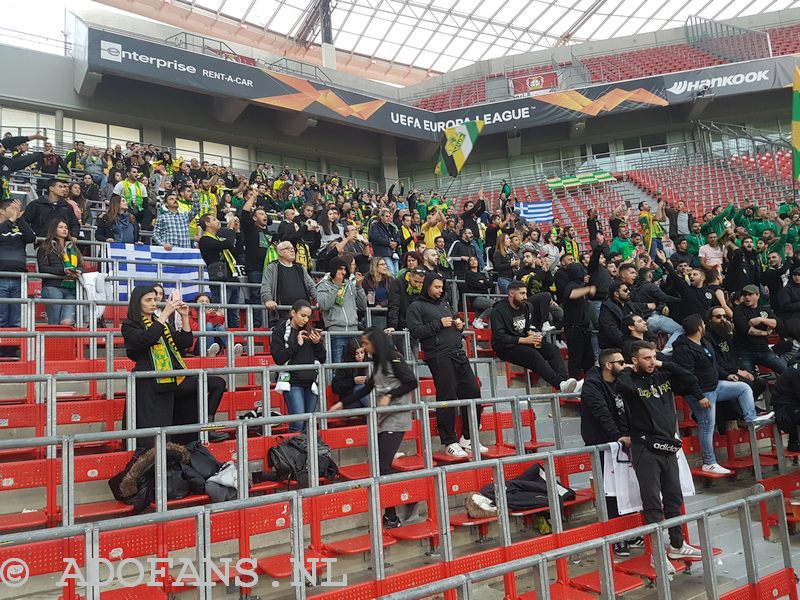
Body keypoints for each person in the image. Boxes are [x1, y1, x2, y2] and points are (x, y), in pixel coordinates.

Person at [617, 341, 706, 565]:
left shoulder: (662, 376)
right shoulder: (630, 381)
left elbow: (690, 378)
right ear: (635, 360)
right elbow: (624, 387)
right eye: (646, 358)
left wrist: (663, 362)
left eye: (653, 357)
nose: (651, 362)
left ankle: (677, 545)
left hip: (668, 446)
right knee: (652, 501)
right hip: (645, 448)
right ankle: (657, 553)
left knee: (674, 498)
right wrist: (628, 370)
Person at [331, 328, 418, 527]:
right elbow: (368, 387)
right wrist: (342, 404)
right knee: (380, 466)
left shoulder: (394, 358)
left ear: (376, 342)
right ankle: (408, 495)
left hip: (396, 418)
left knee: (383, 466)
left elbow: (411, 382)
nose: (364, 347)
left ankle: (394, 512)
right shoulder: (378, 362)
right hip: (382, 418)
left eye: (367, 343)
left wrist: (390, 395)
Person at [121, 286, 228, 448]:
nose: (153, 303)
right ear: (138, 303)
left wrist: (184, 317)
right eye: (148, 300)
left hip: (174, 377)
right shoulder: (130, 325)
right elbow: (146, 339)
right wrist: (164, 315)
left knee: (218, 383)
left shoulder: (160, 323)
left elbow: (184, 342)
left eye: (155, 300)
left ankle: (208, 428)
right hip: (151, 382)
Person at [672, 314, 772, 475]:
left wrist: (726, 375)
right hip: (701, 392)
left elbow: (713, 365)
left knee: (743, 387)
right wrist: (700, 396)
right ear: (699, 328)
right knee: (707, 427)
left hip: (715, 385)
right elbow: (686, 377)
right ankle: (709, 462)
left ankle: (750, 419)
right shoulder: (683, 349)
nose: (704, 326)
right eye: (703, 324)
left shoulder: (704, 342)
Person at [407, 272, 484, 459]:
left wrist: (459, 326)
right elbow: (416, 331)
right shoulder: (416, 306)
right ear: (427, 286)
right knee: (447, 394)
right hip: (438, 355)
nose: (440, 290)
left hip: (457, 353)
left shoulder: (445, 303)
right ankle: (449, 441)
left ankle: (468, 437)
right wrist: (438, 324)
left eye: (441, 287)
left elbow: (456, 321)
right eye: (436, 287)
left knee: (473, 391)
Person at [579, 347, 634, 556]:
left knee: (628, 489)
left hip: (624, 442)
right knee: (611, 492)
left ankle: (629, 532)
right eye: (620, 362)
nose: (625, 365)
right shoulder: (592, 385)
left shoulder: (622, 382)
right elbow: (602, 413)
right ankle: (616, 537)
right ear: (608, 365)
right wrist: (617, 437)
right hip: (603, 444)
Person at [490, 281, 580, 393]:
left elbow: (527, 327)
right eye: (522, 293)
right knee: (533, 355)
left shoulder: (527, 307)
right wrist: (524, 339)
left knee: (552, 349)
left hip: (524, 341)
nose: (525, 297)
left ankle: (565, 382)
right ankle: (560, 384)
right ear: (512, 293)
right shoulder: (498, 311)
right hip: (506, 347)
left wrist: (533, 333)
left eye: (526, 293)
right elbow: (500, 337)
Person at [270, 299, 326, 433]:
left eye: (308, 316)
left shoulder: (310, 331)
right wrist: (297, 344)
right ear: (293, 313)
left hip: (311, 382)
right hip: (291, 382)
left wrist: (318, 343)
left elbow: (322, 358)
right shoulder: (280, 331)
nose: (306, 320)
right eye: (303, 315)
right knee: (298, 423)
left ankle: (307, 453)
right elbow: (278, 358)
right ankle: (293, 453)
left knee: (309, 425)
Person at [316, 255, 367, 364]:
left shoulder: (349, 284)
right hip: (336, 332)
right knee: (337, 368)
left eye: (344, 269)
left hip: (354, 330)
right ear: (333, 269)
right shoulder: (323, 285)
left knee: (355, 367)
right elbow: (324, 305)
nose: (343, 272)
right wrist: (336, 286)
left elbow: (362, 306)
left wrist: (358, 286)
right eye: (340, 269)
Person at [0, 199, 36, 346]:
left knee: (16, 318)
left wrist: (19, 219)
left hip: (19, 278)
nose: (16, 209)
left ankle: (13, 349)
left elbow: (31, 238)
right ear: (2, 211)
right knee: (1, 316)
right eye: (12, 207)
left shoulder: (19, 226)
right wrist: (11, 220)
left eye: (17, 207)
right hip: (1, 277)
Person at [198, 214, 242, 328]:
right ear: (207, 224)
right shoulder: (204, 240)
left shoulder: (219, 239)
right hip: (219, 280)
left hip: (232, 278)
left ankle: (236, 341)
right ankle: (219, 341)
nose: (218, 221)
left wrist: (237, 232)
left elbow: (238, 251)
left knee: (234, 314)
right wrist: (230, 229)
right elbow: (226, 244)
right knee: (220, 312)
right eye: (214, 219)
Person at [37, 219, 83, 326]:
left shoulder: (73, 248)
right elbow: (43, 268)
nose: (64, 230)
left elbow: (81, 265)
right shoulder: (45, 246)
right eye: (61, 227)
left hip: (71, 288)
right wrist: (63, 271)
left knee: (67, 322)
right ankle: (54, 342)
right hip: (53, 287)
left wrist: (79, 271)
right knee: (55, 322)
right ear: (53, 229)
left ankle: (65, 342)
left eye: (66, 228)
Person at [733, 285, 787, 374]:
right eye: (745, 295)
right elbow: (746, 329)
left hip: (764, 350)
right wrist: (765, 333)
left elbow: (779, 324)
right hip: (745, 352)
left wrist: (762, 319)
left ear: (757, 295)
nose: (747, 297)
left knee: (787, 370)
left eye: (750, 294)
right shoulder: (739, 310)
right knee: (748, 379)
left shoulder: (765, 310)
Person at [261, 240, 317, 324]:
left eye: (292, 248)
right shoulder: (272, 268)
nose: (292, 250)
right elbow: (266, 285)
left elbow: (311, 286)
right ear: (280, 253)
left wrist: (318, 300)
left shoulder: (300, 268)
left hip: (303, 315)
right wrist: (268, 300)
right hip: (282, 314)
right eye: (288, 248)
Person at [241, 191, 272, 327]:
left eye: (265, 214)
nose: (264, 216)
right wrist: (253, 197)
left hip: (269, 270)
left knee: (270, 296)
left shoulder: (269, 233)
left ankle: (271, 322)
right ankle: (256, 324)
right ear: (254, 218)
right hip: (255, 269)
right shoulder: (250, 229)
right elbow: (245, 213)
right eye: (260, 214)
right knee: (256, 296)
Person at [562, 263, 596, 379]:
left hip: (584, 328)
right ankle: (573, 384)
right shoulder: (571, 285)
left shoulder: (580, 285)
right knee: (575, 359)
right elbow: (571, 294)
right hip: (574, 328)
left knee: (589, 360)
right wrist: (588, 289)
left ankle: (590, 384)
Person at [189, 293, 243, 358]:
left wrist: (220, 316)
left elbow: (217, 326)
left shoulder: (212, 313)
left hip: (216, 346)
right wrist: (206, 315)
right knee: (209, 325)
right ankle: (209, 351)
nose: (204, 303)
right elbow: (195, 329)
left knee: (219, 327)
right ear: (195, 303)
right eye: (201, 301)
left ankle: (232, 349)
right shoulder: (190, 315)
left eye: (207, 301)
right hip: (198, 345)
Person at [330, 338, 369, 403]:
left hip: (367, 397)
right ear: (351, 353)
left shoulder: (370, 362)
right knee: (359, 387)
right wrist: (353, 381)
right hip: (349, 399)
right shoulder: (344, 366)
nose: (360, 356)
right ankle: (377, 411)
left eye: (362, 352)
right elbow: (335, 387)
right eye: (356, 353)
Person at [363, 256, 392, 330]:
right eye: (382, 264)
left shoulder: (390, 280)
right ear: (375, 266)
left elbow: (393, 297)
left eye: (385, 264)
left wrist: (381, 305)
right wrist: (366, 298)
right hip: (372, 314)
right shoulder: (366, 279)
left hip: (387, 314)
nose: (385, 266)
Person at [369, 208, 400, 275]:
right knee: (390, 272)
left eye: (389, 217)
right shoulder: (375, 226)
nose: (388, 218)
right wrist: (389, 243)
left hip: (393, 253)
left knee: (396, 273)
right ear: (381, 217)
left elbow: (398, 237)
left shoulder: (392, 227)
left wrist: (396, 243)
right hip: (383, 253)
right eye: (386, 216)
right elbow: (376, 238)